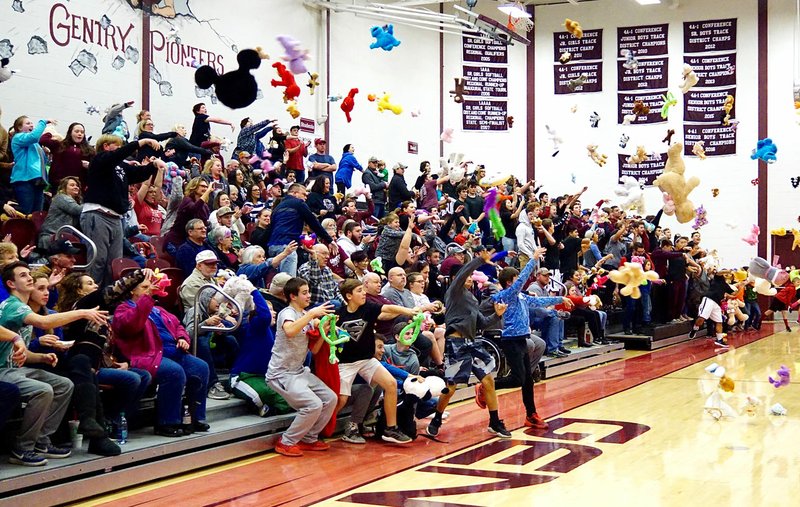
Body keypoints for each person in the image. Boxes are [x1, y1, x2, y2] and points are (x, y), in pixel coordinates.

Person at [113, 270, 211, 437]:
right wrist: (147, 298)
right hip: (147, 355)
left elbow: (178, 325)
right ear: (132, 291)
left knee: (200, 368)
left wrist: (182, 337)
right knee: (173, 372)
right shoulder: (123, 309)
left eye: (149, 287)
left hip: (174, 351)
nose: (149, 289)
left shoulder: (159, 309)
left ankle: (194, 418)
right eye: (144, 287)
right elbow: (130, 326)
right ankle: (166, 422)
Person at [424, 256, 510, 439]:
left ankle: (495, 422)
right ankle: (436, 419)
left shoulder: (472, 298)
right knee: (451, 387)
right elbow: (463, 274)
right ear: (457, 278)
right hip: (456, 345)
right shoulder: (453, 292)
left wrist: (497, 314)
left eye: (472, 276)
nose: (471, 278)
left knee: (488, 381)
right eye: (468, 276)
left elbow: (484, 322)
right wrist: (480, 260)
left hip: (473, 343)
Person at [492, 255, 570, 430]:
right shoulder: (506, 295)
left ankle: (531, 415)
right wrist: (533, 260)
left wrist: (559, 300)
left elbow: (538, 301)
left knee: (528, 381)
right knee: (518, 379)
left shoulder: (521, 297)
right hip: (510, 340)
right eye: (516, 279)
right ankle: (488, 384)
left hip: (522, 339)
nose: (520, 282)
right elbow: (522, 280)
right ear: (509, 282)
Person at [81, 135, 164, 287]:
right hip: (98, 213)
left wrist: (153, 165)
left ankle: (109, 297)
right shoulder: (99, 160)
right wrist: (140, 143)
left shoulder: (121, 166)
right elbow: (118, 154)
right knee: (98, 260)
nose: (120, 149)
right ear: (106, 146)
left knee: (115, 262)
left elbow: (139, 174)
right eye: (117, 145)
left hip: (116, 217)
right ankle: (91, 297)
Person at [266, 277, 336, 457]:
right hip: (281, 374)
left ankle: (309, 438)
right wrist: (312, 315)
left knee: (330, 398)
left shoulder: (305, 316)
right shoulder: (287, 313)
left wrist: (324, 331)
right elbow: (290, 331)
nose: (308, 295)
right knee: (313, 405)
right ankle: (286, 441)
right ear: (292, 296)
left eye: (308, 292)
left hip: (298, 371)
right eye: (304, 293)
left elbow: (314, 349)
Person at [266, 183, 337, 276]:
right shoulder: (298, 203)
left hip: (272, 247)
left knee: (278, 281)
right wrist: (330, 240)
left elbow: (270, 229)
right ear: (294, 193)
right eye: (304, 194)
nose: (306, 197)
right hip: (288, 247)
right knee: (288, 282)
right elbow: (313, 222)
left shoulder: (277, 207)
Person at [10, 116, 53, 213]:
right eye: (28, 123)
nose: (32, 125)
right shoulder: (18, 137)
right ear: (20, 128)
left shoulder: (35, 144)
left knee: (37, 214)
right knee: (26, 212)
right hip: (24, 180)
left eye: (31, 123)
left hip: (37, 181)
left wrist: (45, 154)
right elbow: (34, 136)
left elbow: (43, 162)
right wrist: (43, 122)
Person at [688, 267, 735, 348]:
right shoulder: (718, 278)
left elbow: (733, 294)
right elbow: (719, 272)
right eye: (726, 273)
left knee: (719, 322)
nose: (728, 274)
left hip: (717, 304)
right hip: (709, 299)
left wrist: (740, 286)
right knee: (702, 318)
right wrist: (729, 270)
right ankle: (695, 328)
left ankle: (719, 340)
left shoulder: (727, 286)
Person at [38, 122, 95, 188]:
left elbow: (96, 168)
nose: (79, 134)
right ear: (70, 133)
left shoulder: (89, 150)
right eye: (76, 131)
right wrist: (50, 132)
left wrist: (89, 165)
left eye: (82, 132)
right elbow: (43, 140)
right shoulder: (60, 145)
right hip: (59, 184)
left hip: (79, 185)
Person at [163, 177, 214, 251]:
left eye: (207, 187)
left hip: (190, 243)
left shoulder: (205, 206)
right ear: (194, 186)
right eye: (202, 186)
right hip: (175, 241)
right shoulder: (187, 200)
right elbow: (194, 209)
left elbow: (204, 222)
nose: (206, 188)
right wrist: (208, 191)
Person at [37, 177, 83, 251]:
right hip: (52, 236)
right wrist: (91, 202)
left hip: (66, 237)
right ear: (64, 188)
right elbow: (77, 210)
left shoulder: (79, 202)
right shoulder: (61, 198)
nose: (76, 187)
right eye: (72, 185)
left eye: (77, 185)